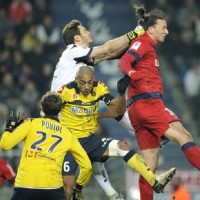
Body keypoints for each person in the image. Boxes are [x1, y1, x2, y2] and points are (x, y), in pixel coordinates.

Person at [50, 19, 144, 200]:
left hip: (75, 107)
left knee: (115, 110)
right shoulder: (73, 52)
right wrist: (136, 33)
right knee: (67, 185)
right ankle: (141, 133)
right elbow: (108, 49)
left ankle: (112, 194)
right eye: (85, 30)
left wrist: (135, 44)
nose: (89, 32)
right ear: (77, 38)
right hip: (65, 114)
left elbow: (111, 53)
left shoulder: (80, 57)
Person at [118, 3, 200, 200]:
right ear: (151, 29)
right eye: (163, 27)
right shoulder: (142, 42)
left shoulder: (149, 48)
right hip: (148, 105)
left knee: (149, 168)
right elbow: (124, 62)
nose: (167, 31)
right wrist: (132, 73)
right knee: (185, 137)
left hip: (140, 109)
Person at [57, 66, 176, 200]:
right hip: (69, 144)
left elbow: (118, 110)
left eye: (89, 82)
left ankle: (155, 181)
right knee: (68, 189)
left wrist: (120, 93)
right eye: (82, 83)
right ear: (76, 80)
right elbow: (47, 108)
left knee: (122, 146)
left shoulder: (99, 88)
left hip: (89, 140)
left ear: (94, 80)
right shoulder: (65, 91)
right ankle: (113, 196)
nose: (86, 87)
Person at [0, 92, 92, 200]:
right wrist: (79, 187)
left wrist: (8, 129)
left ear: (42, 107)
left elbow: (5, 145)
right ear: (60, 110)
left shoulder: (30, 123)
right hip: (53, 187)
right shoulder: (68, 134)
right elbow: (87, 166)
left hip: (25, 185)